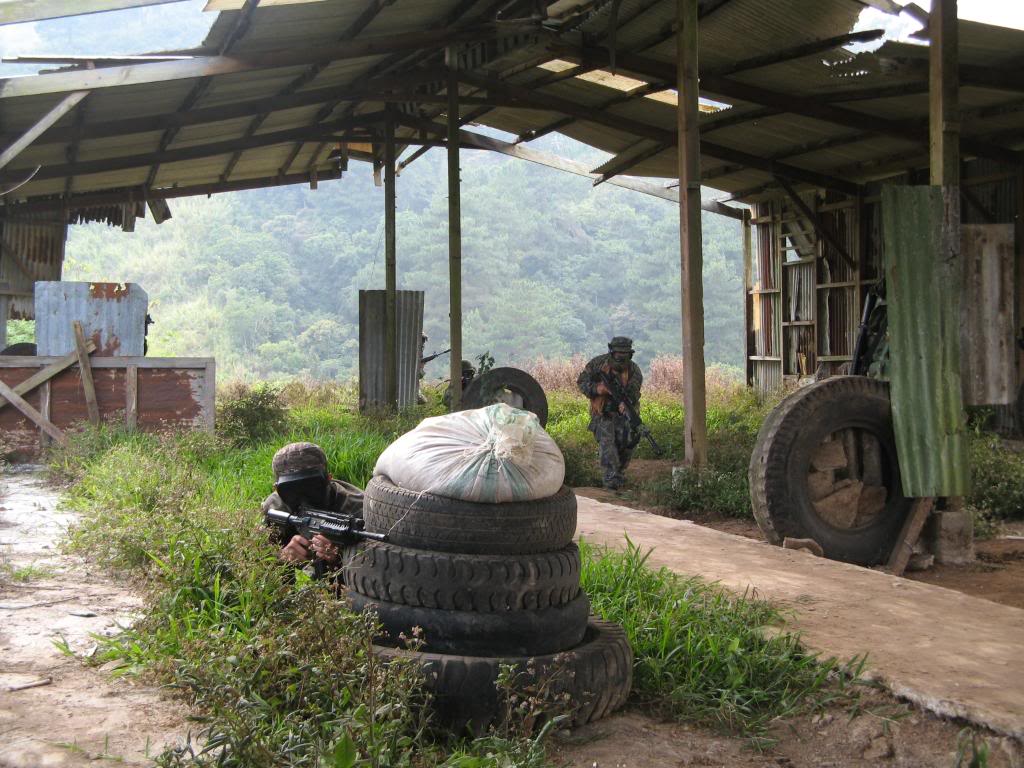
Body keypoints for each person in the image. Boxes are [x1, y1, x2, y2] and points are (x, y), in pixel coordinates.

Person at [261, 441, 364, 579]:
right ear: (277, 489)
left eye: (313, 489)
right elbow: (259, 564)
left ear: (329, 479)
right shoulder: (276, 507)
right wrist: (282, 559)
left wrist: (340, 559)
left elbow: (374, 569)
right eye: (292, 491)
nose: (304, 500)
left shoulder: (359, 509)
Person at [576, 336, 643, 491]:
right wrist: (597, 389)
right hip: (603, 413)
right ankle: (611, 481)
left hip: (623, 413)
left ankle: (618, 474)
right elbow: (582, 382)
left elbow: (634, 391)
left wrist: (626, 403)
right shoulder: (597, 364)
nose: (621, 359)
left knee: (627, 444)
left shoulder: (634, 370)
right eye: (618, 355)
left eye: (625, 356)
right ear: (612, 353)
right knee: (608, 446)